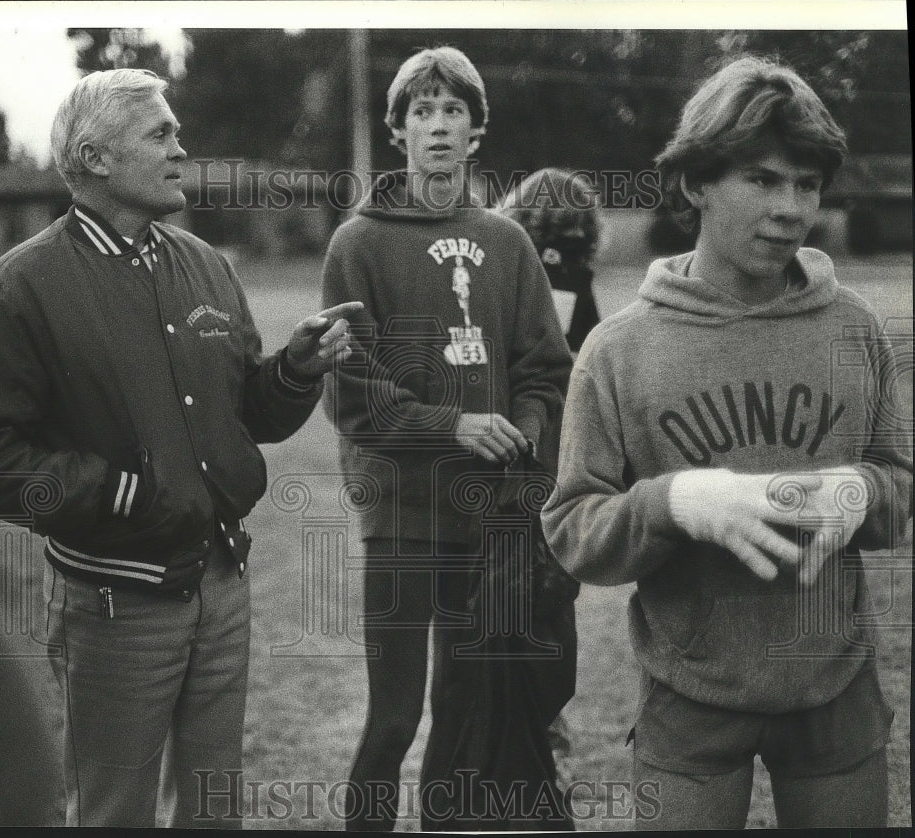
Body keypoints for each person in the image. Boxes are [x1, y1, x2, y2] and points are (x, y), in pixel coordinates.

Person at [0, 68, 360, 828]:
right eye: (159, 134)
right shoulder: (18, 289)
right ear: (96, 158)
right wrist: (120, 491)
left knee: (212, 811)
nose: (181, 148)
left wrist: (295, 370)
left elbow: (248, 417)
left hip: (223, 586)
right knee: (114, 815)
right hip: (111, 604)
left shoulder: (208, 266)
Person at [541, 55, 912, 829]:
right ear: (694, 183)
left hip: (835, 689)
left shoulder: (855, 329)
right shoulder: (619, 350)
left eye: (807, 185)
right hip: (691, 697)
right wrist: (675, 502)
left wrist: (858, 494)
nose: (790, 209)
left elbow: (896, 485)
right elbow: (574, 530)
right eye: (762, 180)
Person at [321, 46, 573, 830]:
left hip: (488, 522)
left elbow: (545, 369)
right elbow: (352, 392)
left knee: (463, 712)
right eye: (421, 111)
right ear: (397, 131)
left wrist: (525, 433)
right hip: (401, 520)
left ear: (476, 132)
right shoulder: (356, 245)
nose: (437, 125)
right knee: (393, 718)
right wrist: (455, 426)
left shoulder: (508, 243)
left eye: (452, 110)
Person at [498, 167, 604, 352]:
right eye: (566, 227)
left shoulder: (576, 276)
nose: (577, 235)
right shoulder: (512, 272)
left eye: (581, 228)